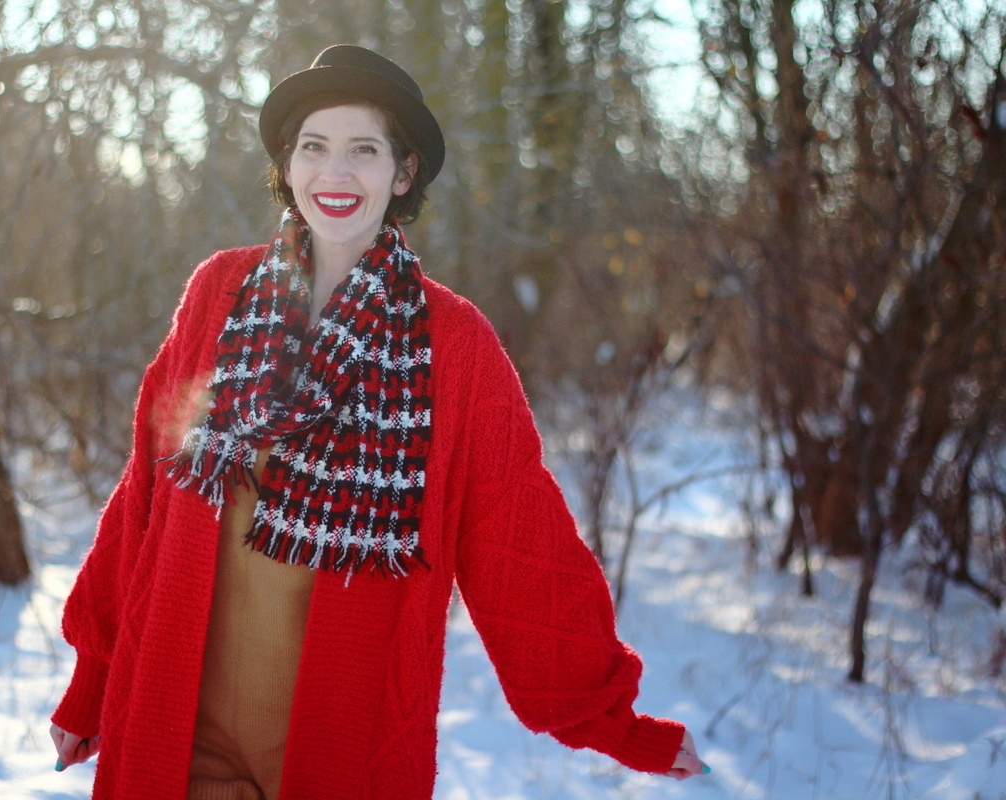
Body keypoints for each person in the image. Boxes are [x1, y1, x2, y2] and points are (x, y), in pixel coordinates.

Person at [49, 44, 708, 800]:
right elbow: (146, 495)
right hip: (175, 720)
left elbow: (519, 538)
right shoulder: (218, 294)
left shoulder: (453, 344)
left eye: (364, 150)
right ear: (287, 166)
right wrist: (93, 676)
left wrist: (610, 718)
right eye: (314, 147)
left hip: (340, 742)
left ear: (402, 175)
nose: (335, 174)